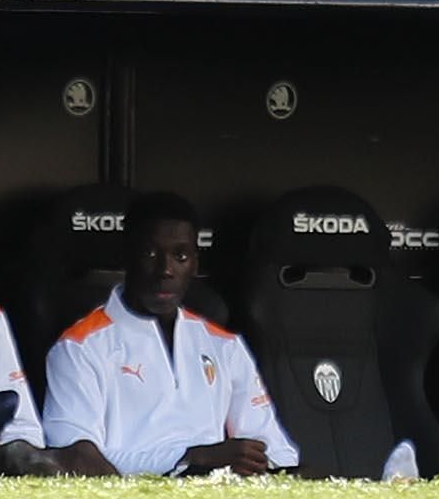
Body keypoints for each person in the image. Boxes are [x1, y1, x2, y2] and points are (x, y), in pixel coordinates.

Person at [37, 197, 293, 478]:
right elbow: (74, 458)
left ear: (196, 264)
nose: (166, 270)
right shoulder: (79, 347)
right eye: (150, 254)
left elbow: (275, 452)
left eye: (180, 256)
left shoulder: (224, 345)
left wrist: (268, 467)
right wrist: (192, 457)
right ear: (125, 257)